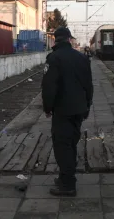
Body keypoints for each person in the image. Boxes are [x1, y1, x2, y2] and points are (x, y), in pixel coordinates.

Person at [41, 27, 93, 197]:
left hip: (63, 110)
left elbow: (49, 87)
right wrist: (87, 105)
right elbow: (89, 85)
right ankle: (64, 178)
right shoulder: (82, 58)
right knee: (71, 144)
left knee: (62, 147)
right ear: (70, 39)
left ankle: (68, 185)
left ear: (55, 40)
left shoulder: (54, 58)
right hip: (79, 109)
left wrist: (48, 107)